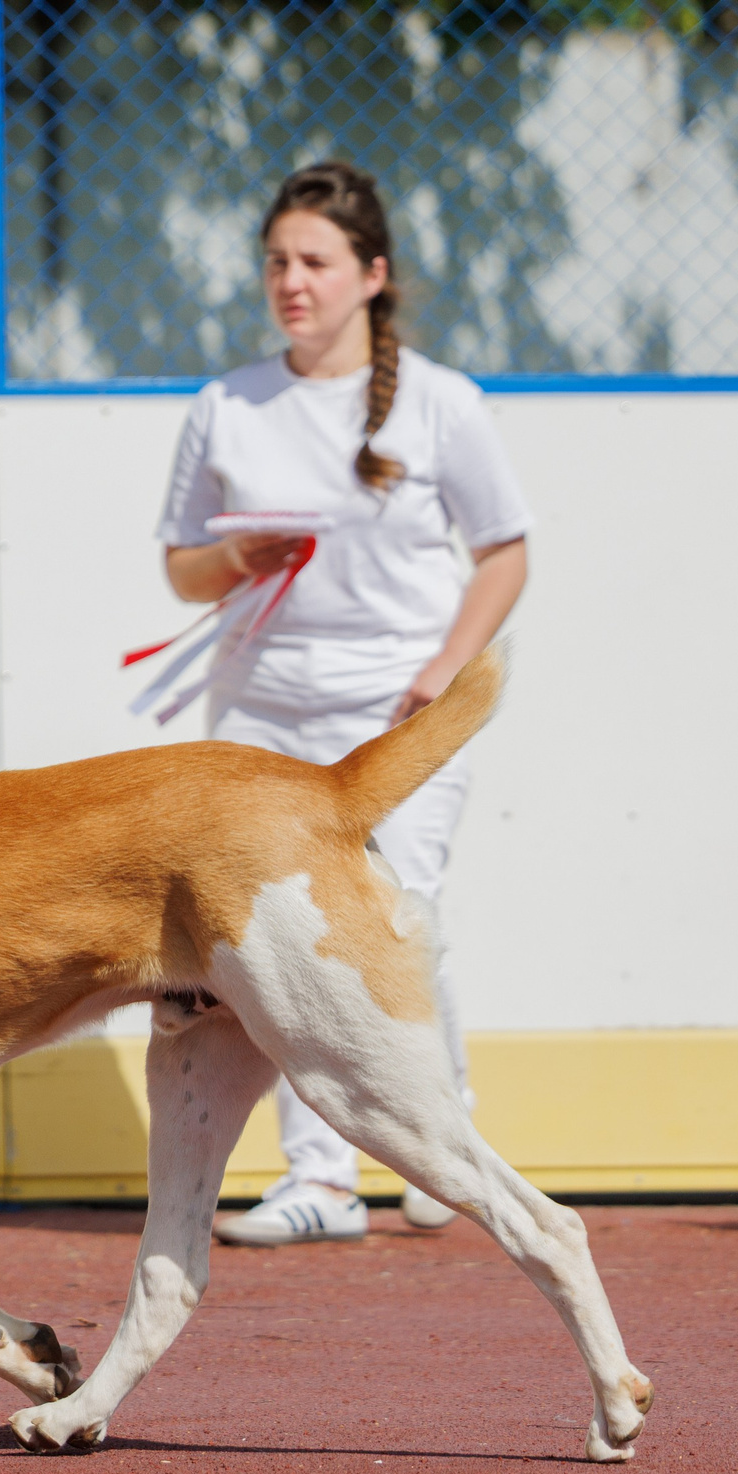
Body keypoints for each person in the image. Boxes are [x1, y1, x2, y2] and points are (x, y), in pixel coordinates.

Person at [153, 161, 532, 1246]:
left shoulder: (441, 400)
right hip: (260, 716)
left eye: (314, 262)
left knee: (398, 911)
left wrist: (439, 669)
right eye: (275, 261)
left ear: (371, 275)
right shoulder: (225, 402)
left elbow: (503, 555)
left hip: (398, 710)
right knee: (278, 942)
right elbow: (181, 570)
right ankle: (320, 1178)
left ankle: (441, 1149)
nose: (290, 281)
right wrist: (235, 559)